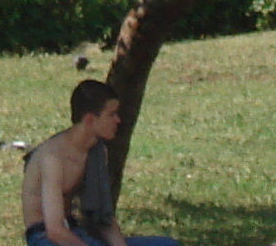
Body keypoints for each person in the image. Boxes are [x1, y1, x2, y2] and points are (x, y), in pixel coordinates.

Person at [21, 79, 181, 246]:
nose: (118, 120)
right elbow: (55, 231)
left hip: (76, 232)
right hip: (45, 238)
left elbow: (103, 218)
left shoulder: (96, 151)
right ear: (90, 120)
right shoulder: (52, 158)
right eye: (111, 114)